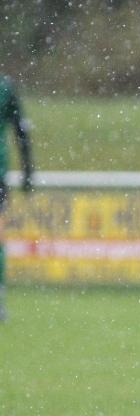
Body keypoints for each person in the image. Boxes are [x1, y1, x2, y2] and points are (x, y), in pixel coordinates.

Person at [0, 74, 34, 321]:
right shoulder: (5, 87)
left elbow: (20, 128)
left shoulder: (5, 87)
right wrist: (28, 169)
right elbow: (21, 129)